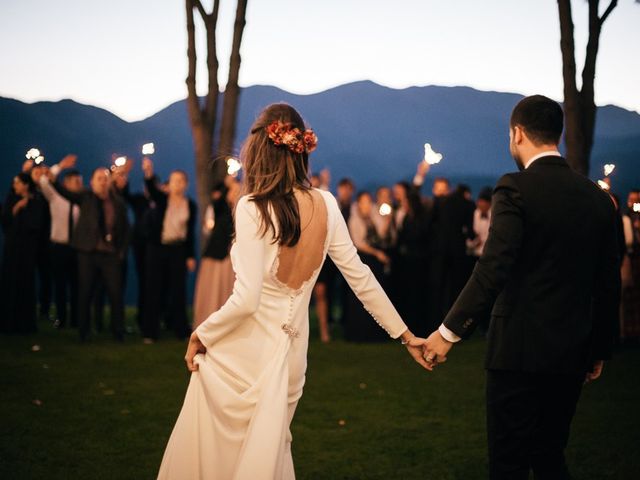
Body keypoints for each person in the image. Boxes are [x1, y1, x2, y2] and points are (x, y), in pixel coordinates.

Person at [157, 103, 430, 479]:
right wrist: (405, 334)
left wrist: (201, 333)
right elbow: (361, 278)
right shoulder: (327, 205)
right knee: (266, 458)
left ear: (260, 150)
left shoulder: (252, 207)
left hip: (243, 358)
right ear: (301, 149)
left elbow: (246, 299)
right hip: (292, 360)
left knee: (218, 459)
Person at [423, 95, 621, 480]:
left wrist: (447, 333)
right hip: (572, 351)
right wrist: (598, 348)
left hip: (517, 351)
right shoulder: (600, 201)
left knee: (509, 462)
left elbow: (493, 268)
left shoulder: (514, 188)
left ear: (517, 134)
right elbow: (607, 281)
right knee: (550, 456)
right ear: (558, 135)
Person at [53, 166, 129, 342]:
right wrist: (52, 179)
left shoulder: (118, 202)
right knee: (85, 292)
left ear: (110, 182)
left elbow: (126, 229)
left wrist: (121, 252)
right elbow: (65, 193)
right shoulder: (85, 198)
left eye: (105, 179)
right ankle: (83, 332)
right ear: (92, 182)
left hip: (110, 255)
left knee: (115, 294)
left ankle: (118, 332)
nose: (103, 182)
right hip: (88, 254)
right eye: (99, 179)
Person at [141, 158, 196, 342]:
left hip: (178, 250)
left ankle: (180, 329)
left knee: (178, 291)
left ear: (186, 184)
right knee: (154, 289)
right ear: (169, 183)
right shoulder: (162, 199)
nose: (177, 184)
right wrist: (148, 172)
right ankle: (150, 331)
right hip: (157, 249)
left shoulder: (191, 205)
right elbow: (152, 189)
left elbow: (190, 233)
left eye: (181, 181)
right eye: (174, 181)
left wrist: (190, 256)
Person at [37, 155, 82, 329]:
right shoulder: (55, 197)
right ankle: (62, 319)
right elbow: (43, 182)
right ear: (66, 183)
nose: (78, 184)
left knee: (77, 286)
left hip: (76, 248)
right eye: (75, 182)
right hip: (59, 247)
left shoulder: (81, 201)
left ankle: (77, 319)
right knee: (60, 286)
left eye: (80, 181)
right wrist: (60, 166)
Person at [0, 172, 47, 334]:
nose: (15, 186)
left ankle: (24, 323)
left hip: (27, 251)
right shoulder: (11, 200)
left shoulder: (36, 202)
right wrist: (15, 210)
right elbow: (5, 221)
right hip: (12, 249)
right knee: (10, 283)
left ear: (26, 185)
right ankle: (8, 322)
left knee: (25, 284)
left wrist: (25, 210)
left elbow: (36, 225)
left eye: (18, 183)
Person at [192, 177, 239, 329]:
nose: (235, 193)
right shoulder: (220, 209)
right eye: (233, 191)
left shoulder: (243, 212)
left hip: (232, 260)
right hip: (215, 256)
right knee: (212, 292)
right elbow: (215, 204)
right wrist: (226, 185)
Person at [344, 191, 391, 342]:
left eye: (369, 201)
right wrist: (377, 253)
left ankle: (375, 333)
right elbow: (358, 243)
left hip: (375, 261)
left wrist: (387, 220)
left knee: (376, 294)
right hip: (363, 259)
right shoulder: (354, 219)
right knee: (361, 295)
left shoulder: (374, 217)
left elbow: (382, 234)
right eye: (364, 202)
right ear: (358, 203)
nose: (367, 205)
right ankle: (359, 333)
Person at [466, 186, 493, 259]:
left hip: (489, 255)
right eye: (478, 201)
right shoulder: (474, 214)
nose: (478, 203)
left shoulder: (494, 216)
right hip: (474, 254)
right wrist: (474, 243)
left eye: (482, 201)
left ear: (489, 203)